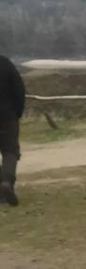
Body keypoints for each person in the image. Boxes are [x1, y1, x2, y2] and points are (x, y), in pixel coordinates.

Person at [0, 54, 25, 206]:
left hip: (8, 114)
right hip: (7, 116)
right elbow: (19, 90)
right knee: (10, 151)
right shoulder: (5, 63)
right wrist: (17, 113)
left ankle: (1, 193)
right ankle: (6, 182)